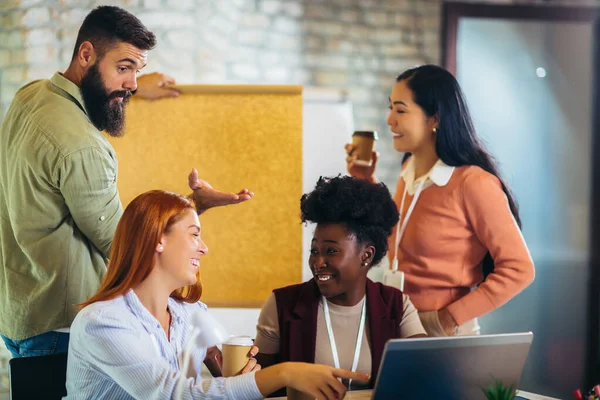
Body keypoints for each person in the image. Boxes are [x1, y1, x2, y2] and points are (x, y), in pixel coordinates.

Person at [0, 5, 250, 358]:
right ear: (86, 54)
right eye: (123, 68)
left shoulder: (30, 96)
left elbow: (75, 125)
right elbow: (128, 248)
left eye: (136, 70)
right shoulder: (83, 148)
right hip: (63, 329)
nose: (131, 83)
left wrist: (129, 87)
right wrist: (193, 210)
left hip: (19, 313)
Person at [64, 190, 368, 400]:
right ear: (158, 239)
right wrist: (283, 373)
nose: (204, 247)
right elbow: (173, 394)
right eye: (194, 234)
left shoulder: (190, 314)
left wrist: (233, 372)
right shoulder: (103, 322)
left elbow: (218, 373)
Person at [345, 64, 535, 337]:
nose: (389, 119)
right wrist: (365, 180)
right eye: (390, 108)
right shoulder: (408, 172)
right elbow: (396, 240)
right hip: (399, 324)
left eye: (400, 110)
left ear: (434, 118)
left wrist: (448, 318)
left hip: (442, 331)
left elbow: (520, 269)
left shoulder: (474, 183)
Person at [255, 176, 427, 391]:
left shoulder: (396, 304)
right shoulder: (282, 305)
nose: (318, 262)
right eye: (314, 251)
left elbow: (425, 374)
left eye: (331, 251)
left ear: (366, 255)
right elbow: (254, 386)